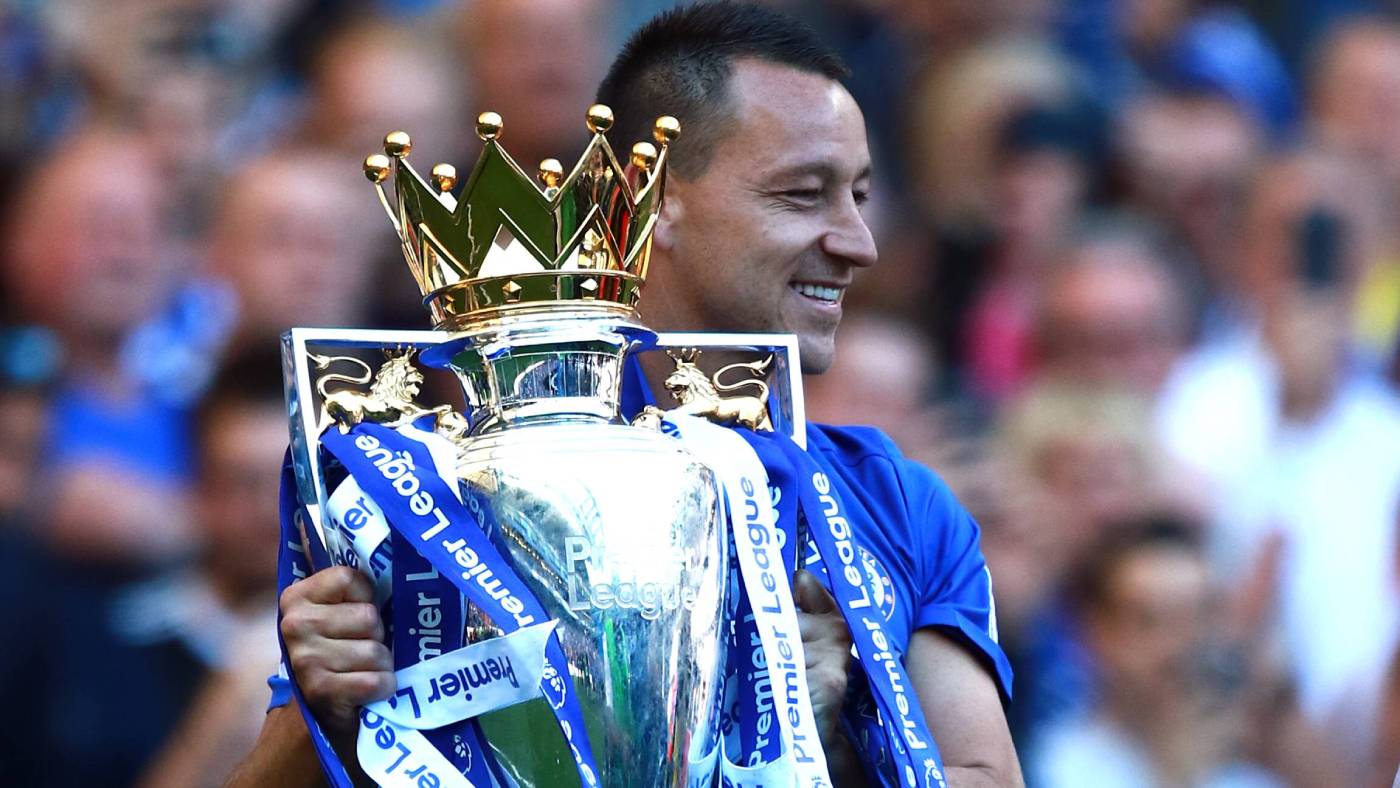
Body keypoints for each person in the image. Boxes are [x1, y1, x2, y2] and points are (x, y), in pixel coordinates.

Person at [229, 3, 1021, 786]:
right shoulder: (437, 499)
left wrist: (836, 749)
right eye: (803, 194)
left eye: (860, 196)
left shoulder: (893, 504)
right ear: (655, 196)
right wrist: (323, 716)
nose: (858, 242)